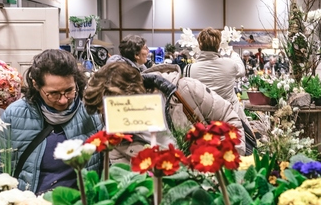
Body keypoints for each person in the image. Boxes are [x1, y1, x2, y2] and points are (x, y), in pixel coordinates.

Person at [0, 49, 102, 193]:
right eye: (53, 93)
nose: (63, 100)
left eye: (69, 91)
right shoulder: (15, 115)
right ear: (36, 85)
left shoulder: (90, 113)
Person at [83, 62, 245, 160]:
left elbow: (229, 120)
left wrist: (224, 165)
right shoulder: (115, 135)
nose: (106, 117)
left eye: (110, 109)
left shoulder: (185, 90)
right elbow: (127, 177)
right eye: (101, 112)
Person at [185, 28, 255, 154]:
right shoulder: (230, 64)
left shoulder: (189, 69)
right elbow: (242, 70)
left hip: (203, 124)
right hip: (231, 119)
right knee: (237, 157)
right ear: (218, 45)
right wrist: (233, 54)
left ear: (200, 44)